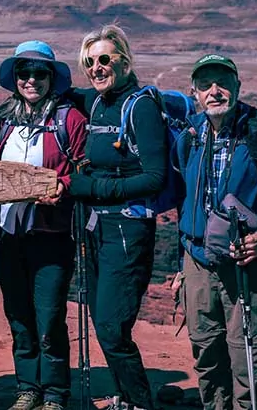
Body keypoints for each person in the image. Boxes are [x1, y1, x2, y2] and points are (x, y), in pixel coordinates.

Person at [174, 54, 257, 410]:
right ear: (195, 93)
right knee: (206, 351)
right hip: (197, 262)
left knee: (252, 355)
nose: (214, 91)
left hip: (247, 262)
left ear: (237, 87)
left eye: (223, 83)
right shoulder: (190, 136)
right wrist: (180, 261)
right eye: (206, 85)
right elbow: (185, 203)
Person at [66, 24, 168, 410]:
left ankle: (140, 402)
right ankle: (126, 397)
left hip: (128, 227)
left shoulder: (140, 106)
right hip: (97, 227)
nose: (97, 67)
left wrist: (92, 188)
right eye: (89, 62)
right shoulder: (95, 102)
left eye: (105, 59)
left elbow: (155, 177)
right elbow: (58, 88)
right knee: (101, 318)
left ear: (125, 61)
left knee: (111, 324)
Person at [0, 41, 88, 410]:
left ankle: (55, 393)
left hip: (51, 233)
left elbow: (83, 169)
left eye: (40, 73)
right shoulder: (5, 118)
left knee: (49, 315)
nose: (31, 80)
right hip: (10, 233)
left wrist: (62, 187)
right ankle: (27, 387)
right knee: (18, 312)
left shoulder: (69, 119)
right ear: (15, 79)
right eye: (24, 73)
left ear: (52, 78)